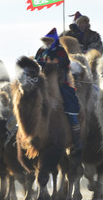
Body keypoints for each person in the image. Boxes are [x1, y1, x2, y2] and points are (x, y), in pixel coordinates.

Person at [35, 28, 82, 156]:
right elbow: (36, 62)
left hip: (59, 80)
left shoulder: (60, 51)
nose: (48, 42)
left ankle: (76, 136)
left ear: (54, 40)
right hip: (42, 81)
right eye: (46, 40)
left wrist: (54, 64)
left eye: (50, 40)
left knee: (69, 102)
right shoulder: (41, 51)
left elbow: (64, 63)